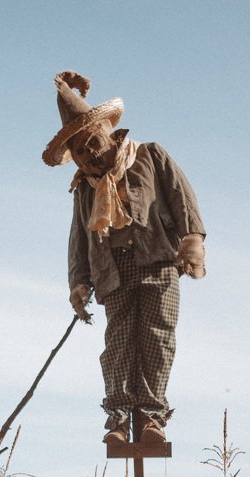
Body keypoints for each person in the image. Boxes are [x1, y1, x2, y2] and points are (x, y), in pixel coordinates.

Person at [42, 71, 206, 446]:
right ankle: (118, 420)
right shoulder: (84, 187)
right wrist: (78, 283)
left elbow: (183, 198)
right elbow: (79, 237)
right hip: (111, 272)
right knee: (118, 344)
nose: (88, 153)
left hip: (159, 262)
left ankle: (150, 417)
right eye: (79, 151)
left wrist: (192, 239)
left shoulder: (149, 155)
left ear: (108, 132)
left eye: (92, 142)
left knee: (156, 338)